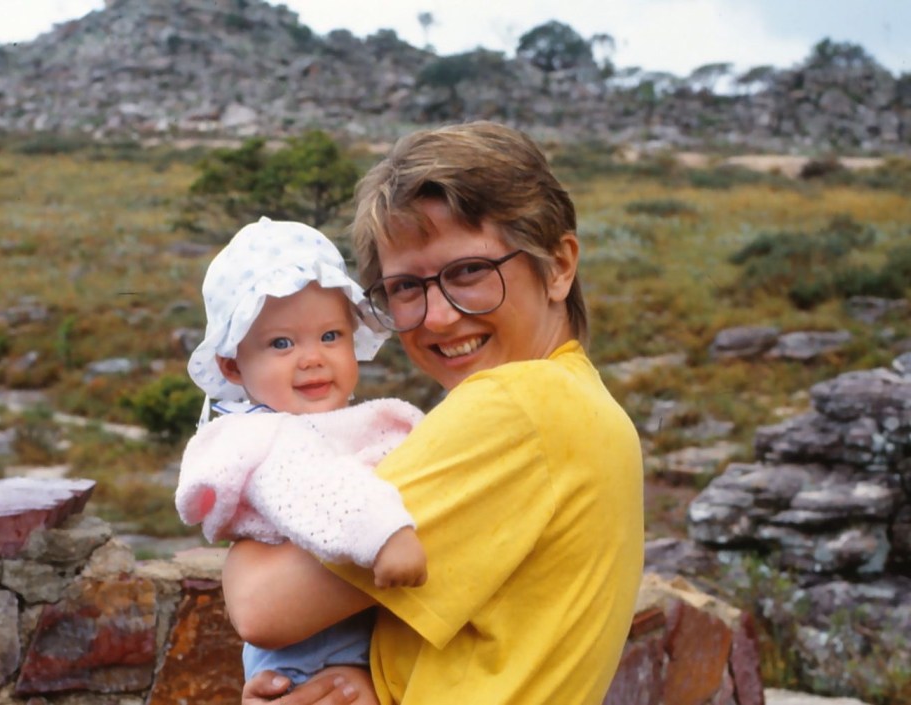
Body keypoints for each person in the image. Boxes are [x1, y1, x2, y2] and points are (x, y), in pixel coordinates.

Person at [224, 121, 645, 705]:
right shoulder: (584, 405)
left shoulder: (514, 407)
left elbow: (263, 606)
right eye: (405, 287)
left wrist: (242, 522)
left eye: (469, 272)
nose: (439, 317)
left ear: (558, 265)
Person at [177, 216, 428, 701]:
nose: (312, 358)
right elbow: (313, 487)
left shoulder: (333, 424)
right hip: (313, 662)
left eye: (330, 336)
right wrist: (387, 535)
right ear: (232, 365)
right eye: (282, 343)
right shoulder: (258, 436)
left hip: (363, 640)